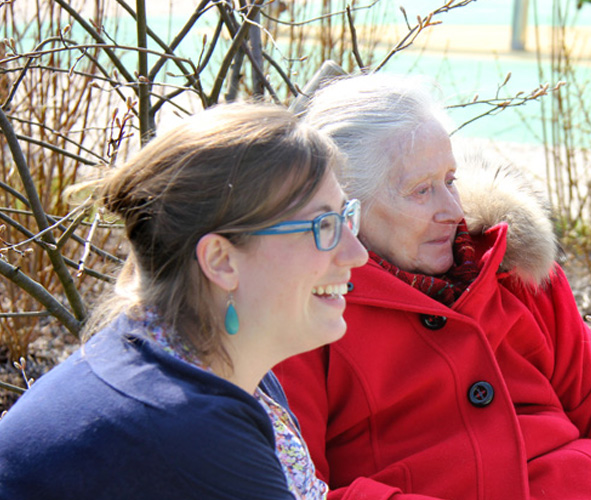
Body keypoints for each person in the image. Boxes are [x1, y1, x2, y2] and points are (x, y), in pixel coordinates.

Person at [274, 73, 591, 499]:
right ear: (346, 205)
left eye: (450, 179)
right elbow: (298, 490)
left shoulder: (517, 278)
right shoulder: (307, 316)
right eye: (421, 190)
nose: (452, 209)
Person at [0, 103, 369, 499]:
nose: (356, 253)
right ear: (220, 261)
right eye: (323, 226)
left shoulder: (211, 368)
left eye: (346, 216)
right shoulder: (191, 430)